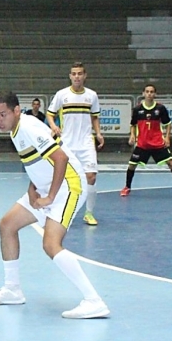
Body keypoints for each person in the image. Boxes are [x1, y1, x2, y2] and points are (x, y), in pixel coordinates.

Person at [0, 91, 109, 319]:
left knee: (51, 244)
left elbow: (61, 158)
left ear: (17, 111)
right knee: (7, 225)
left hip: (69, 185)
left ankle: (94, 301)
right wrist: (33, 190)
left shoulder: (29, 127)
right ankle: (12, 290)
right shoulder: (16, 130)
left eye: (3, 114)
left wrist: (49, 197)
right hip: (46, 186)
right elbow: (37, 164)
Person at [46, 62, 104, 226]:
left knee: (91, 177)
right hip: (67, 144)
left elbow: (95, 117)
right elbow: (50, 114)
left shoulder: (92, 95)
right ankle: (56, 212)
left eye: (80, 73)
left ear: (85, 76)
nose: (77, 76)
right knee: (62, 178)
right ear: (70, 76)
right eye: (74, 74)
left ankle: (89, 213)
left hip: (86, 143)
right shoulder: (61, 95)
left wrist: (98, 133)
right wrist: (53, 126)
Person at [121, 84, 172, 199]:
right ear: (143, 93)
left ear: (155, 94)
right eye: (147, 91)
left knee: (171, 164)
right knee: (131, 166)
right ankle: (127, 187)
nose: (149, 94)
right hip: (142, 144)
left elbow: (168, 124)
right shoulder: (137, 109)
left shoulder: (160, 108)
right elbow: (133, 124)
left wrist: (167, 137)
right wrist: (132, 135)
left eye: (152, 92)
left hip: (157, 143)